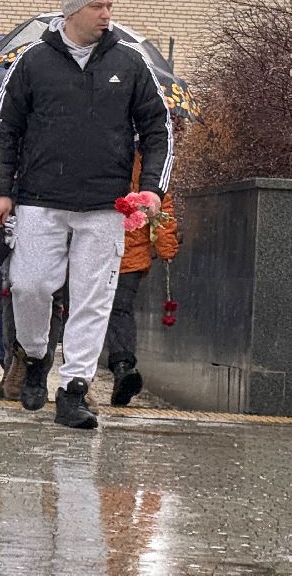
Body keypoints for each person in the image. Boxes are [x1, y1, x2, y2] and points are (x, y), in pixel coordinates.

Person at [0, 0, 172, 429]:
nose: (107, 15)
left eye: (110, 6)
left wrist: (150, 187)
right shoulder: (32, 62)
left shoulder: (129, 64)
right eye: (98, 7)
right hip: (39, 200)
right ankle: (33, 355)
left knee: (93, 299)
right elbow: (3, 128)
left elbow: (158, 128)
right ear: (72, 11)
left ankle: (74, 389)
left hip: (105, 204)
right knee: (29, 286)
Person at [107, 154, 179, 406]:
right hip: (104, 248)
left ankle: (122, 368)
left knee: (117, 308)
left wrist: (166, 246)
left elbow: (161, 207)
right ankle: (118, 368)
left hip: (130, 253)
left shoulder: (146, 166)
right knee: (115, 310)